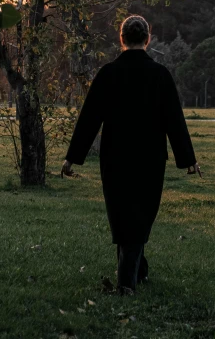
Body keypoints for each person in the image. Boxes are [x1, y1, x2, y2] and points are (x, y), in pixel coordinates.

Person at [62, 15, 201, 295]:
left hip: (115, 156)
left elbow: (89, 119)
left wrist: (72, 158)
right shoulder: (160, 75)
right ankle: (127, 282)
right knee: (140, 214)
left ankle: (136, 271)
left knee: (123, 212)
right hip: (150, 158)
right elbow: (174, 119)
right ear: (147, 40)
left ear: (121, 39)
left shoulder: (108, 73)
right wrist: (188, 159)